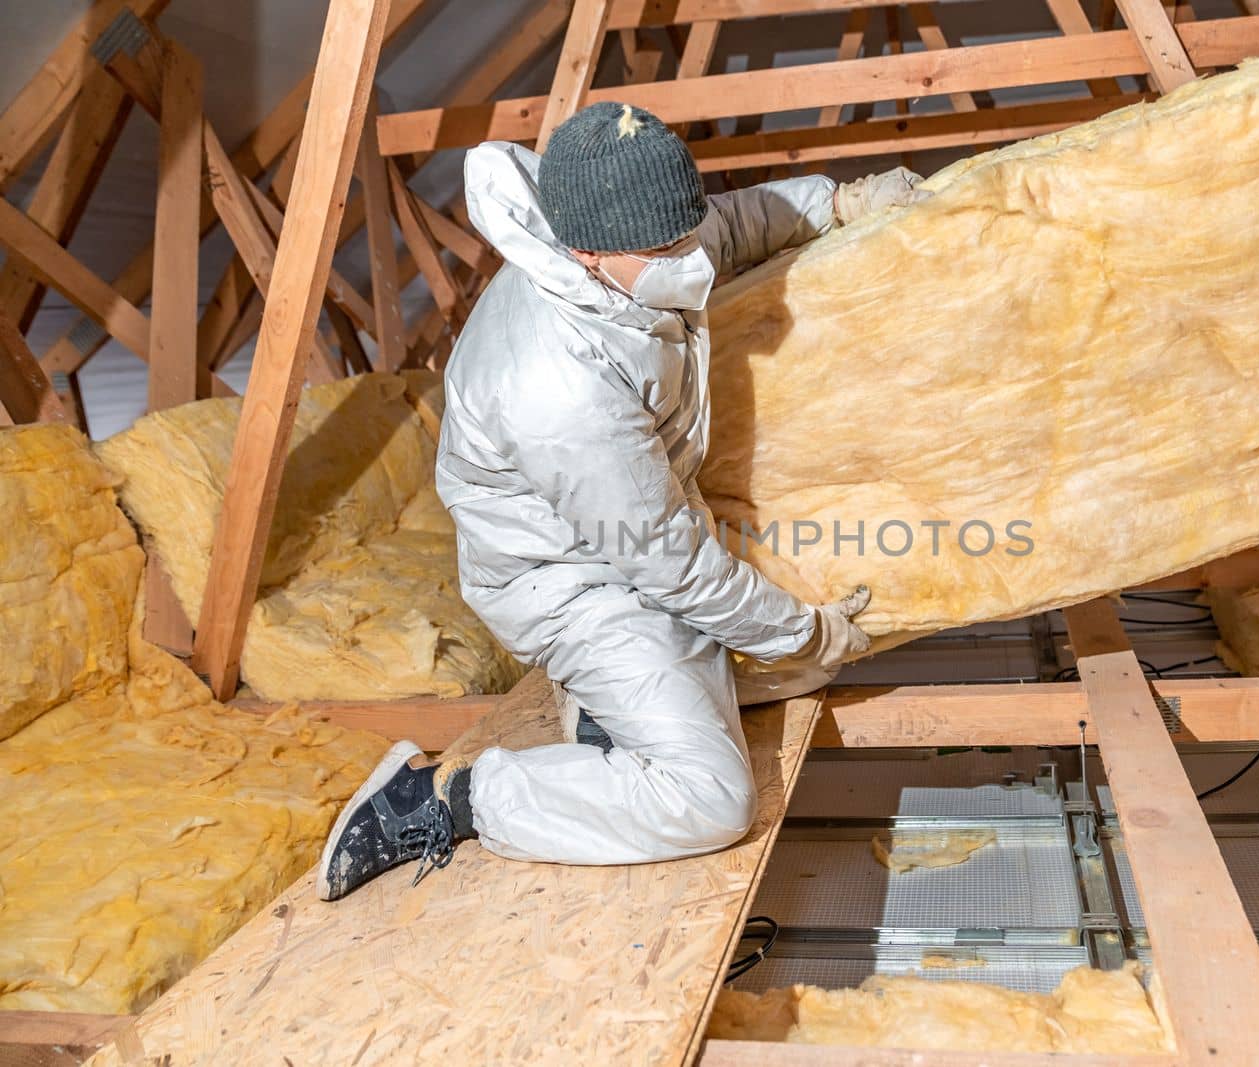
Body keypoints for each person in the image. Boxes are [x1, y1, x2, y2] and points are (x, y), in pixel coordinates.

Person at [317, 102, 928, 901]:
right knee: (712, 796)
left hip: (630, 536)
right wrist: (803, 628)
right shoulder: (556, 383)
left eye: (683, 233)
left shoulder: (624, 228)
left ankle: (611, 715)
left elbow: (727, 225)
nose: (693, 259)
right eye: (667, 248)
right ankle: (444, 797)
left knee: (791, 673)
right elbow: (670, 564)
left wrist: (838, 202)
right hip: (569, 580)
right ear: (587, 251)